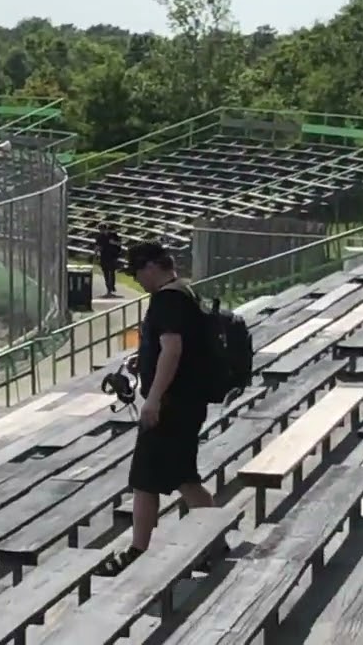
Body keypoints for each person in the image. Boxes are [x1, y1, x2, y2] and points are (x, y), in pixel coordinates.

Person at [93, 241, 222, 577]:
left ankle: (139, 550)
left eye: (137, 272)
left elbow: (173, 349)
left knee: (149, 478)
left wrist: (152, 399)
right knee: (179, 477)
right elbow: (176, 347)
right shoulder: (185, 292)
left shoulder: (167, 299)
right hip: (185, 403)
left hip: (169, 406)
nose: (137, 280)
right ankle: (213, 542)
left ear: (151, 266)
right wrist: (146, 358)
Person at [92, 223, 123, 296]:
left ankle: (111, 287)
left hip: (113, 256)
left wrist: (113, 242)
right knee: (106, 272)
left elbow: (120, 244)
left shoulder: (113, 235)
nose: (101, 231)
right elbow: (97, 246)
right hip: (104, 256)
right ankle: (108, 289)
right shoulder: (100, 237)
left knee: (111, 272)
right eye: (100, 230)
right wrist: (95, 254)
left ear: (105, 229)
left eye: (102, 230)